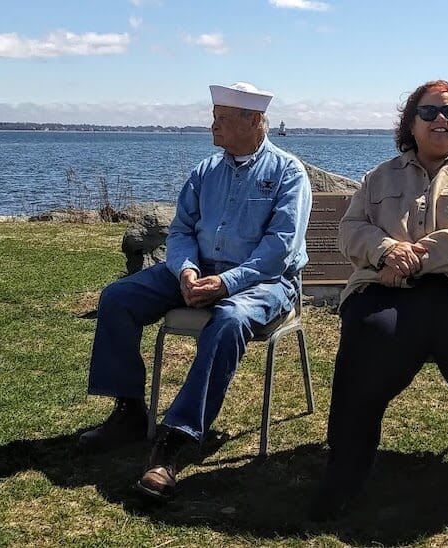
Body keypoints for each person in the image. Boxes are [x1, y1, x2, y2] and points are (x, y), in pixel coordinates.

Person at [78, 82, 312, 501]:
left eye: (222, 118)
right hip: (198, 270)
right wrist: (185, 270)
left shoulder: (288, 173)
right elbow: (182, 230)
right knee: (118, 297)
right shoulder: (206, 171)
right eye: (214, 116)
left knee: (229, 318)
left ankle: (177, 439)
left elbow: (279, 250)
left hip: (265, 282)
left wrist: (227, 283)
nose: (213, 125)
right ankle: (130, 410)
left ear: (253, 121)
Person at [313, 80, 448, 519]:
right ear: (410, 124)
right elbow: (350, 230)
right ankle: (346, 470)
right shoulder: (379, 177)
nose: (441, 120)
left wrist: (414, 256)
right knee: (368, 336)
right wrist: (386, 251)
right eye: (429, 113)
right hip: (390, 289)